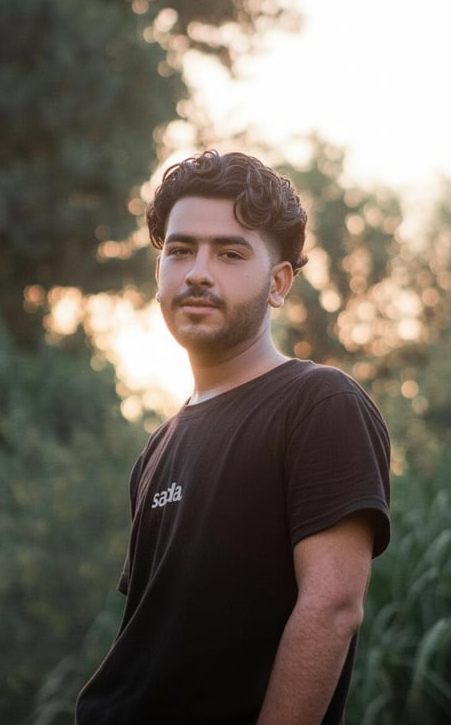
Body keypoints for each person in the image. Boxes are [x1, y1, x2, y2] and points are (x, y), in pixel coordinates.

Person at [76, 150, 390, 725]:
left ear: (278, 283)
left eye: (229, 253)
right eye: (179, 249)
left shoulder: (319, 404)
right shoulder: (158, 448)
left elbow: (332, 607)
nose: (197, 271)